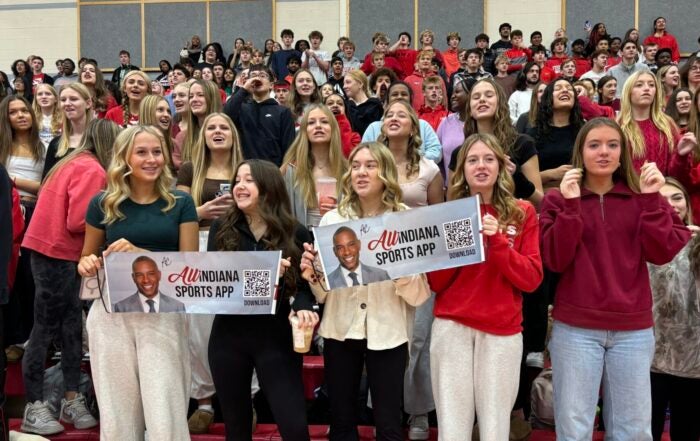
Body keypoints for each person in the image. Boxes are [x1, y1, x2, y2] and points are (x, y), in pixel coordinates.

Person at [540, 117, 691, 441]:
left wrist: (652, 200)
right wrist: (570, 207)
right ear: (581, 151)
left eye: (613, 145)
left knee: (632, 429)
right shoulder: (558, 199)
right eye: (594, 145)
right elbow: (555, 258)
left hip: (633, 331)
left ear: (623, 153)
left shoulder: (643, 197)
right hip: (576, 329)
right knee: (574, 427)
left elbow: (663, 251)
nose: (604, 152)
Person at [300, 142, 431, 441]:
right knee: (342, 422)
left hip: (389, 330)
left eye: (370, 165)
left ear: (384, 171)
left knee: (388, 424)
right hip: (340, 329)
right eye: (356, 165)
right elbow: (323, 293)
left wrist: (399, 272)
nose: (360, 172)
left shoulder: (405, 218)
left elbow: (419, 296)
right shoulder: (333, 219)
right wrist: (312, 276)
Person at [77, 125, 198, 440]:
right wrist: (87, 263)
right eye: (142, 152)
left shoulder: (181, 203)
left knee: (165, 410)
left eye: (157, 151)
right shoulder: (103, 203)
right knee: (117, 413)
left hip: (163, 313)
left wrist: (141, 254)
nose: (151, 159)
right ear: (124, 157)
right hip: (110, 314)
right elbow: (85, 260)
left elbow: (190, 267)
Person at [430, 133, 542, 440]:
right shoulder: (449, 213)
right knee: (452, 430)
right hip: (452, 326)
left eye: (489, 159)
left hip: (502, 331)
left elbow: (531, 279)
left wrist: (497, 244)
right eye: (473, 159)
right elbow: (437, 283)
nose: (481, 166)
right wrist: (461, 240)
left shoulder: (522, 212)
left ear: (502, 166)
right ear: (461, 169)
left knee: (495, 429)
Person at [19, 119, 117, 436]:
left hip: (53, 251)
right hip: (56, 252)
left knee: (70, 325)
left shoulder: (74, 162)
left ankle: (71, 399)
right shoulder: (93, 169)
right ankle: (34, 406)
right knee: (48, 328)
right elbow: (79, 221)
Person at [208, 159, 318, 441]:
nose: (240, 186)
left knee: (294, 427)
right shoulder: (221, 227)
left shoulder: (296, 231)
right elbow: (216, 284)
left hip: (275, 338)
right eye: (237, 181)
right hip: (228, 337)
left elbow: (303, 287)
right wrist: (261, 276)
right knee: (237, 428)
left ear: (268, 187)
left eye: (249, 180)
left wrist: (304, 307)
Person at [646, 178, 700, 441]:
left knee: (686, 433)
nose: (671, 205)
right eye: (662, 199)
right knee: (645, 432)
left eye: (677, 198)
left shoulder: (698, 242)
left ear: (688, 205)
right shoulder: (640, 243)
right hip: (646, 357)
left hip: (692, 358)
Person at [450, 78, 543, 204]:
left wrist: (516, 176)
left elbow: (540, 202)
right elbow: (451, 205)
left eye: (489, 95)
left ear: (500, 104)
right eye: (476, 97)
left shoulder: (523, 144)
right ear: (470, 110)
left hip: (515, 220)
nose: (482, 99)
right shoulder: (459, 153)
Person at [618, 71, 696, 178]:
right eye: (639, 85)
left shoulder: (667, 124)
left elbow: (677, 176)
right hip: (629, 192)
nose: (647, 88)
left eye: (651, 85)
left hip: (662, 190)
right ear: (628, 91)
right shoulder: (617, 126)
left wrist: (681, 155)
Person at [281, 104, 346, 228]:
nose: (318, 126)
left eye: (324, 122)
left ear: (333, 128)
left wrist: (340, 212)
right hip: (301, 241)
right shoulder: (291, 169)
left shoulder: (347, 169)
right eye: (311, 123)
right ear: (304, 131)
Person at [224, 64, 295, 166]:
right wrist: (243, 90)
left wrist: (280, 174)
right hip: (245, 170)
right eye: (253, 76)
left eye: (262, 75)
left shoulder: (283, 112)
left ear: (271, 85)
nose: (257, 78)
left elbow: (289, 149)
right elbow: (226, 116)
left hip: (273, 172)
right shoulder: (241, 108)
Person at [362, 81, 442, 162]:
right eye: (394, 94)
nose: (399, 97)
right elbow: (364, 153)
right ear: (388, 99)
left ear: (410, 99)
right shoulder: (373, 128)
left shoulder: (423, 125)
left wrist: (412, 161)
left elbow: (436, 151)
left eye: (404, 94)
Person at [528, 78, 584, 190]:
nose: (565, 91)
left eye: (569, 88)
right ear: (548, 98)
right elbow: (524, 179)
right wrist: (550, 174)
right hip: (546, 197)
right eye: (558, 88)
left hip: (582, 194)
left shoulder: (585, 131)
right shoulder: (533, 134)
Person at [42, 83, 93, 178]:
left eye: (73, 99)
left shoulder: (100, 138)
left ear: (88, 103)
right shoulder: (56, 143)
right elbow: (46, 183)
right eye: (63, 100)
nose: (67, 103)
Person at [174, 79, 222, 169]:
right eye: (191, 96)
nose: (194, 100)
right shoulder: (182, 137)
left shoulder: (226, 133)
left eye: (200, 95)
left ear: (212, 98)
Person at [112, 256, 185, 313]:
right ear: (133, 278)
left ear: (159, 275)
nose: (146, 280)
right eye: (139, 275)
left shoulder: (178, 306)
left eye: (151, 274)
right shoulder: (121, 307)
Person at [326, 226, 390, 288]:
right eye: (340, 248)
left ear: (359, 245)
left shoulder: (381, 275)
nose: (347, 252)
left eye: (351, 245)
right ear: (335, 252)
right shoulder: (328, 283)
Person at [344, 69, 383, 136]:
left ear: (360, 84)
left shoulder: (374, 105)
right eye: (344, 83)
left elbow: (364, 129)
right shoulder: (345, 105)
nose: (344, 86)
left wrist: (352, 106)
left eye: (348, 82)